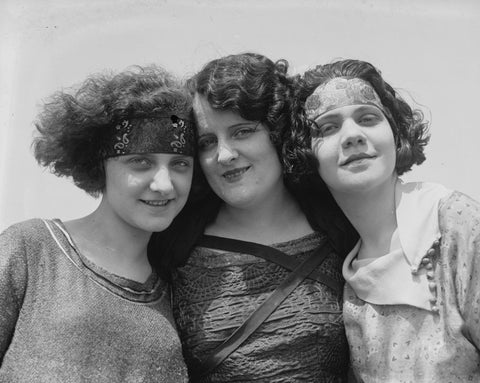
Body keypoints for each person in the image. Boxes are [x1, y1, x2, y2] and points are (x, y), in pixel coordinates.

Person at [149, 53, 358, 382]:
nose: (224, 155)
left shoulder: (345, 230)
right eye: (206, 142)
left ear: (278, 131)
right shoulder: (169, 247)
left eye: (242, 131)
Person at [289, 59, 480, 382]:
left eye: (368, 118)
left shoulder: (452, 222)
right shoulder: (345, 275)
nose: (352, 136)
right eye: (328, 127)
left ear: (395, 133)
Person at [0, 65, 195, 382]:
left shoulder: (178, 291)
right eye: (140, 162)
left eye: (180, 164)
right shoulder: (31, 249)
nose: (165, 184)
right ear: (98, 164)